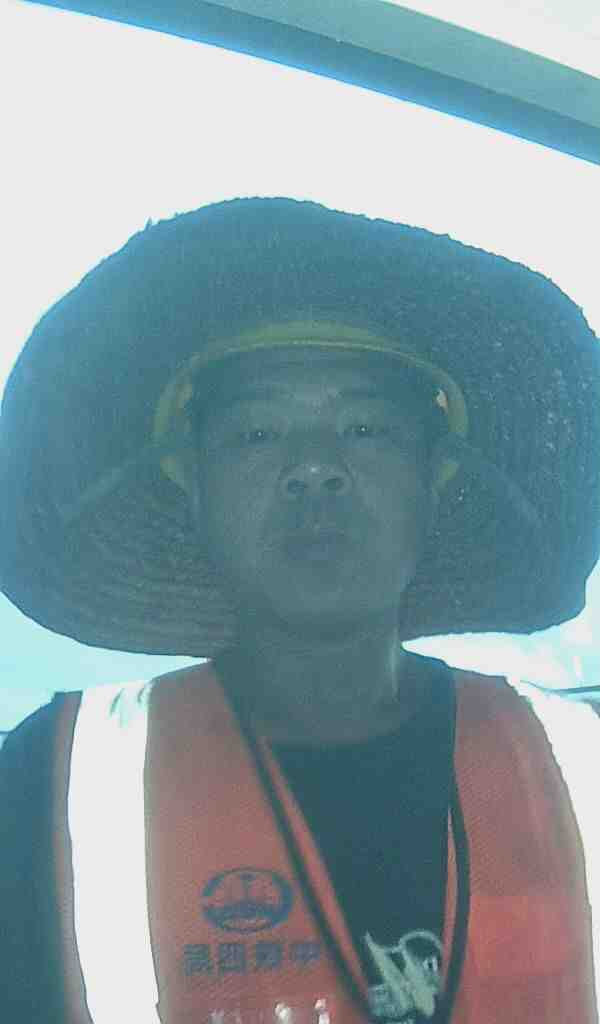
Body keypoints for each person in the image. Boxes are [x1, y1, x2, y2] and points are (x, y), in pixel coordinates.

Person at [0, 197, 599, 1024]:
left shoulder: (581, 758)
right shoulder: (49, 783)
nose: (314, 467)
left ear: (435, 478)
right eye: (256, 434)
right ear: (193, 485)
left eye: (366, 428)